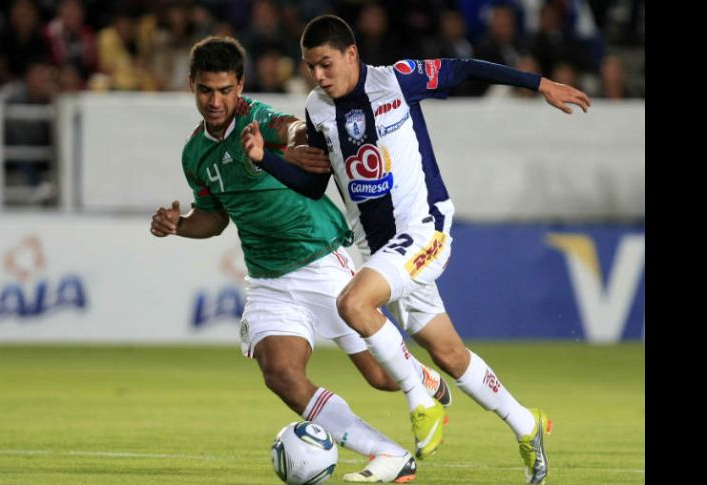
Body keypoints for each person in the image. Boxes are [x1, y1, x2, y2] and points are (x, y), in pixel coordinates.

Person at [241, 15, 591, 485]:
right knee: (447, 354)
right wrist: (266, 162)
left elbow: (465, 68)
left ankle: (420, 398)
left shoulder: (396, 80)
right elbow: (314, 183)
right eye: (310, 67)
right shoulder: (317, 108)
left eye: (325, 64)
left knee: (353, 303)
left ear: (351, 55)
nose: (318, 76)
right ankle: (527, 424)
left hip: (424, 229)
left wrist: (539, 82)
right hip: (380, 250)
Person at [149, 36, 453, 484]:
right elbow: (213, 219)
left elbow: (294, 128)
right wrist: (179, 224)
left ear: (241, 86)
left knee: (382, 379)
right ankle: (388, 455)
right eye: (206, 91)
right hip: (269, 279)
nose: (216, 101)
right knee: (281, 373)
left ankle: (418, 377)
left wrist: (290, 146)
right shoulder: (194, 154)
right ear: (191, 85)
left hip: (321, 263)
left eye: (225, 90)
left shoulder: (257, 119)